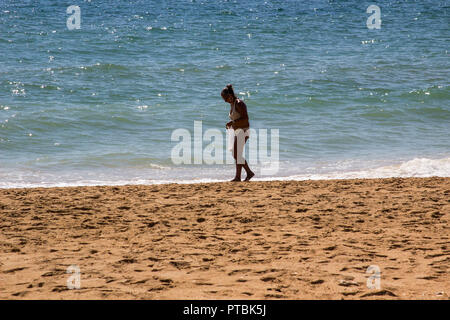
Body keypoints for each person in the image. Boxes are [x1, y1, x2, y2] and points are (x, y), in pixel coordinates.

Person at [221, 84, 255, 182]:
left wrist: (233, 122)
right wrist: (231, 125)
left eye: (225, 98)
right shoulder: (232, 104)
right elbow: (237, 118)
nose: (225, 100)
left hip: (243, 130)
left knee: (236, 154)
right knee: (236, 154)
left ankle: (248, 173)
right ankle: (239, 176)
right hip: (237, 131)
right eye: (223, 98)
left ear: (230, 95)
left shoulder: (239, 103)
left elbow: (245, 119)